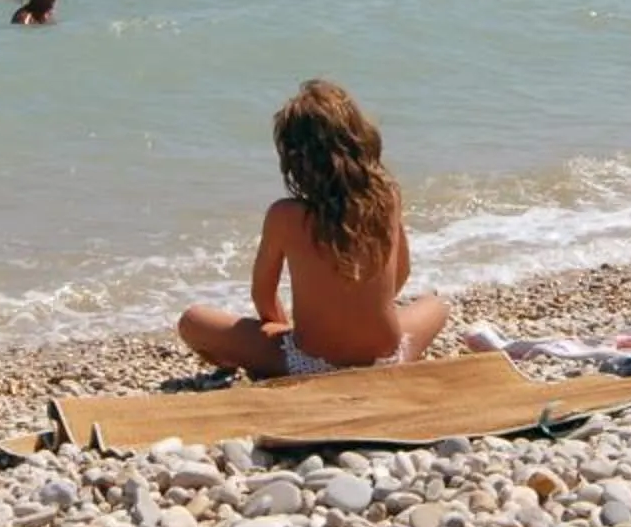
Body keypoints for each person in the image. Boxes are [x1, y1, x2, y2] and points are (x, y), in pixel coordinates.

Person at [178, 79, 449, 377]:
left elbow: (263, 296)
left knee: (192, 320)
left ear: (294, 158)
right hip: (386, 356)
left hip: (310, 364)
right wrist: (360, 313)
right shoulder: (388, 197)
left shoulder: (285, 215)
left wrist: (281, 331)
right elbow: (401, 273)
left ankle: (257, 364)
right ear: (360, 140)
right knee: (435, 305)